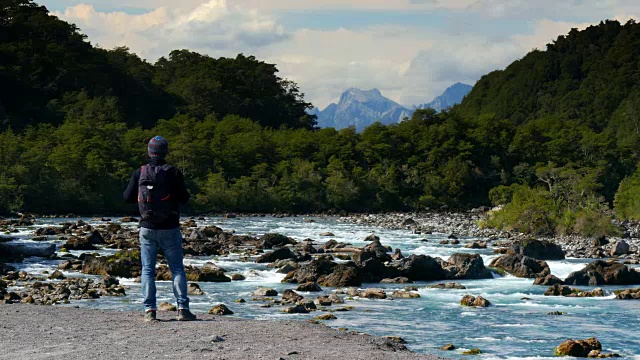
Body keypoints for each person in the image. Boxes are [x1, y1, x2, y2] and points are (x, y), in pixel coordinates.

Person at [123, 135, 196, 322]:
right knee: (177, 269)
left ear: (149, 151)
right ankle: (182, 309)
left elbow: (127, 197)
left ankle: (150, 311)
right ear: (165, 151)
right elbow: (184, 199)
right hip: (170, 227)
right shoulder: (172, 172)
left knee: (147, 270)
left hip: (147, 228)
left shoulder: (139, 172)